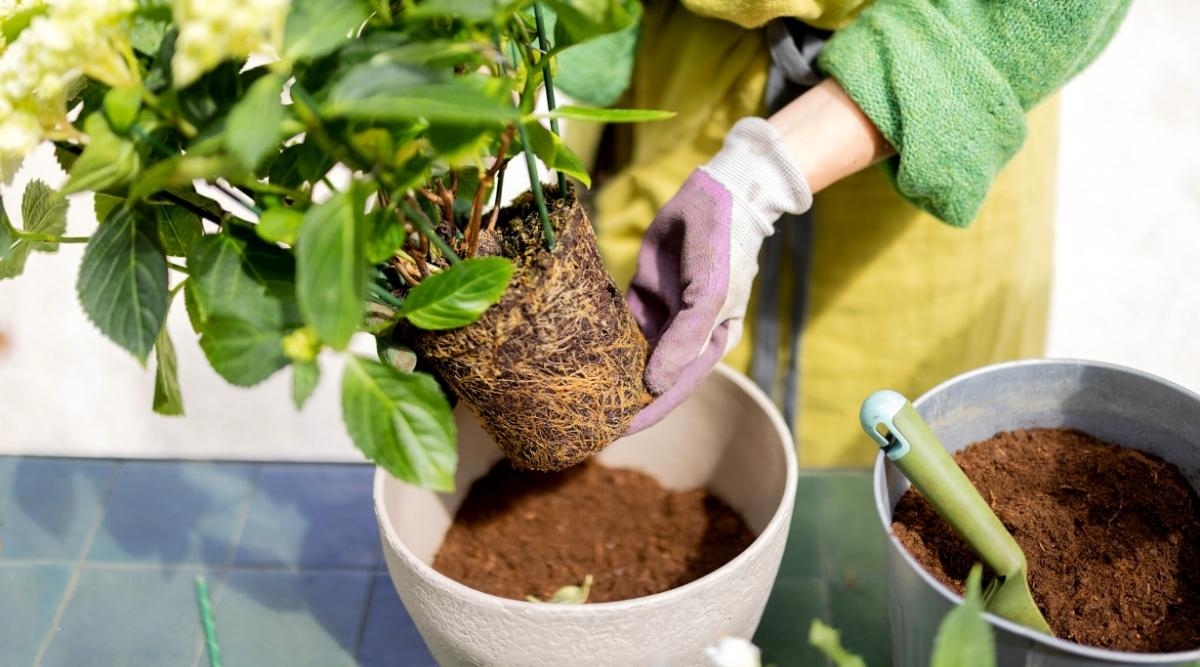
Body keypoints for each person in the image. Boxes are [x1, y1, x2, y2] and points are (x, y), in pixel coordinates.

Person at [585, 0, 1131, 466]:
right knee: (676, 432)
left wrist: (761, 177)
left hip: (933, 124)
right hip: (686, 103)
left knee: (906, 492)